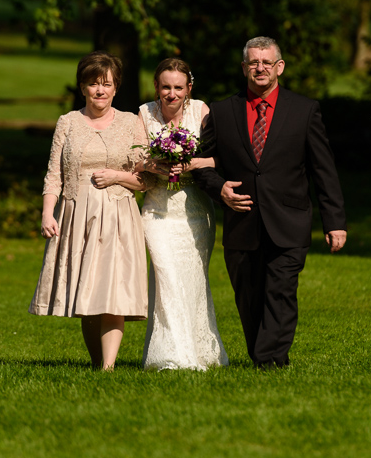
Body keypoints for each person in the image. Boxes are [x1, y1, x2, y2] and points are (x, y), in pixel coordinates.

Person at [193, 36, 347, 369]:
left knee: (280, 291)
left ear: (279, 67)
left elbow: (323, 169)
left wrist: (334, 221)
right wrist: (220, 189)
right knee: (248, 297)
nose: (259, 68)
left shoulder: (304, 110)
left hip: (289, 220)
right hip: (242, 221)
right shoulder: (222, 112)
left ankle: (270, 361)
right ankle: (265, 355)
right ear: (244, 67)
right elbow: (201, 165)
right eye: (253, 62)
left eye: (266, 62)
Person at [29, 51, 150, 371]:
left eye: (106, 84)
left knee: (112, 291)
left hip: (117, 217)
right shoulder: (67, 122)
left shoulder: (130, 122)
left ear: (116, 87)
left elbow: (146, 178)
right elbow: (54, 174)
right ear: (82, 87)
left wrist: (116, 177)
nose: (100, 90)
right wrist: (47, 213)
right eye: (93, 84)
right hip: (76, 215)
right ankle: (97, 363)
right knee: (88, 293)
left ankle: (108, 366)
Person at [137, 58, 228, 371]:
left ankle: (202, 351)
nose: (171, 94)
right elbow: (132, 159)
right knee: (166, 278)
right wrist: (153, 164)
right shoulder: (143, 112)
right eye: (165, 87)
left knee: (192, 279)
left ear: (189, 88)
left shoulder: (201, 111)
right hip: (157, 209)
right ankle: (171, 356)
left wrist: (192, 164)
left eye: (178, 87)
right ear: (156, 87)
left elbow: (223, 159)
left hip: (195, 209)